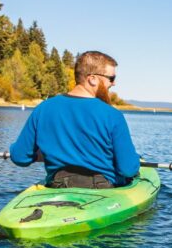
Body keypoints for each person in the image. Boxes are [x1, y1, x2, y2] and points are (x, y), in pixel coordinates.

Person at [9, 50, 140, 188]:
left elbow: (20, 157)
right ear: (92, 79)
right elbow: (128, 169)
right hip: (102, 189)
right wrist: (135, 159)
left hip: (58, 184)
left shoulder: (44, 108)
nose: (113, 84)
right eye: (111, 78)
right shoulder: (113, 115)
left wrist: (38, 154)